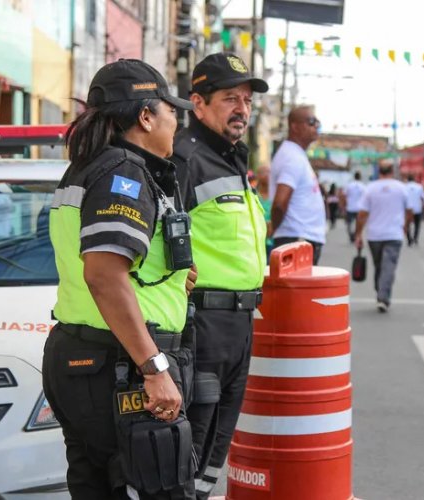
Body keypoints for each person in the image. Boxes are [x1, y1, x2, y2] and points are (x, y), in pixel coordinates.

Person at [42, 59, 196, 499]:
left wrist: (173, 280)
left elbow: (119, 266)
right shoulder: (123, 172)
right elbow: (105, 276)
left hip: (88, 358)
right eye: (172, 112)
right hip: (122, 364)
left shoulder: (91, 167)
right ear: (146, 116)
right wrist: (153, 367)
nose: (176, 124)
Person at [169, 52, 269, 498]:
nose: (242, 110)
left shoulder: (231, 161)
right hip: (201, 326)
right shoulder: (184, 159)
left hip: (239, 326)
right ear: (198, 103)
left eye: (246, 101)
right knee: (188, 448)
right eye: (231, 98)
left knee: (215, 451)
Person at [354, 160, 413, 312]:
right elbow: (410, 210)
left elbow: (362, 214)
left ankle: (382, 296)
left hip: (374, 235)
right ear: (393, 171)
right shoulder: (401, 188)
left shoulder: (370, 188)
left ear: (378, 171)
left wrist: (358, 233)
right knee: (387, 267)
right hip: (394, 234)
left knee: (380, 266)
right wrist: (406, 226)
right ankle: (382, 293)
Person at [270, 106, 327, 263]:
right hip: (296, 241)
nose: (316, 126)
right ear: (294, 126)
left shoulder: (296, 154)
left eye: (317, 122)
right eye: (311, 122)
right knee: (297, 288)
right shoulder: (291, 156)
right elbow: (280, 203)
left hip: (299, 239)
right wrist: (274, 229)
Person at [256, 165, 275, 257]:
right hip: (257, 240)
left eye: (269, 172)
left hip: (272, 240)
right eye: (263, 172)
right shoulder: (253, 194)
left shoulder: (276, 195)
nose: (267, 175)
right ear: (257, 175)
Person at [343, 171, 366, 243]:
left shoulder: (349, 185)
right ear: (360, 177)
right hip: (359, 208)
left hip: (350, 207)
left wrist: (345, 204)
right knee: (358, 223)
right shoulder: (363, 186)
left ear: (354, 177)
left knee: (349, 223)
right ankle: (356, 235)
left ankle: (351, 235)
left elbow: (344, 195)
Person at [405, 174, 424, 246]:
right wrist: (423, 207)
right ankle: (415, 238)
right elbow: (422, 198)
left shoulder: (404, 187)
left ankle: (409, 239)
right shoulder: (419, 186)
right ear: (414, 179)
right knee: (417, 224)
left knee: (407, 225)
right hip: (417, 208)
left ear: (408, 179)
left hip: (408, 209)